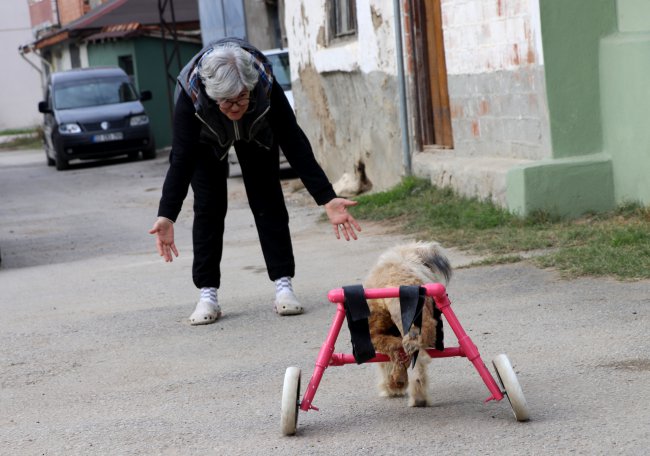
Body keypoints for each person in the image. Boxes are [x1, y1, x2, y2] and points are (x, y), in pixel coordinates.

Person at [149, 38, 361, 325]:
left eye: (240, 99)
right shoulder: (192, 95)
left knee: (268, 201)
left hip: (257, 133)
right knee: (209, 208)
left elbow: (293, 140)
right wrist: (167, 213)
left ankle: (284, 286)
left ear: (250, 88)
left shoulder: (265, 85)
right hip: (206, 142)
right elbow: (182, 158)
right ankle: (207, 293)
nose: (234, 107)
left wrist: (326, 197)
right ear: (212, 96)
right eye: (226, 102)